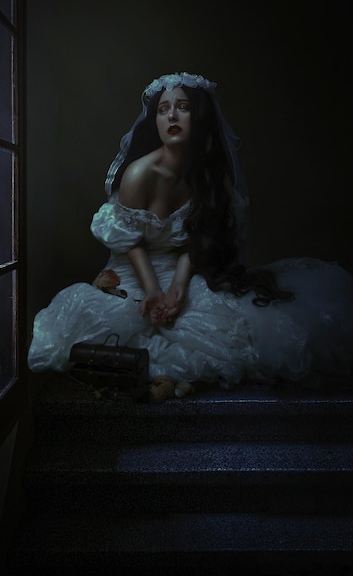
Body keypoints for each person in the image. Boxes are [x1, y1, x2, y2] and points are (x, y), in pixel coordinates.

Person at [28, 72, 353, 396]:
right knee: (113, 324)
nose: (171, 115)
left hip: (180, 267)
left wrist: (179, 288)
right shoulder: (139, 174)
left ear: (198, 117)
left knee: (230, 330)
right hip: (132, 269)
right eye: (163, 109)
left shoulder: (210, 178)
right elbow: (130, 242)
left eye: (182, 107)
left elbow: (196, 241)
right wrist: (154, 290)